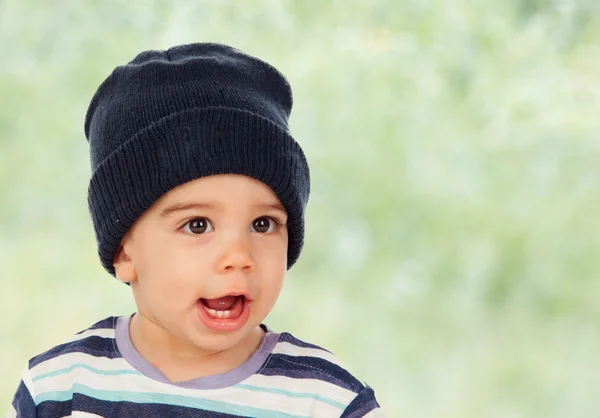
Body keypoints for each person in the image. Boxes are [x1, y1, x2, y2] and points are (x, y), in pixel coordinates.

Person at [7, 42, 384, 417]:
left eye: (263, 224)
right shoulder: (60, 387)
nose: (238, 256)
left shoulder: (325, 399)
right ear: (124, 252)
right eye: (198, 225)